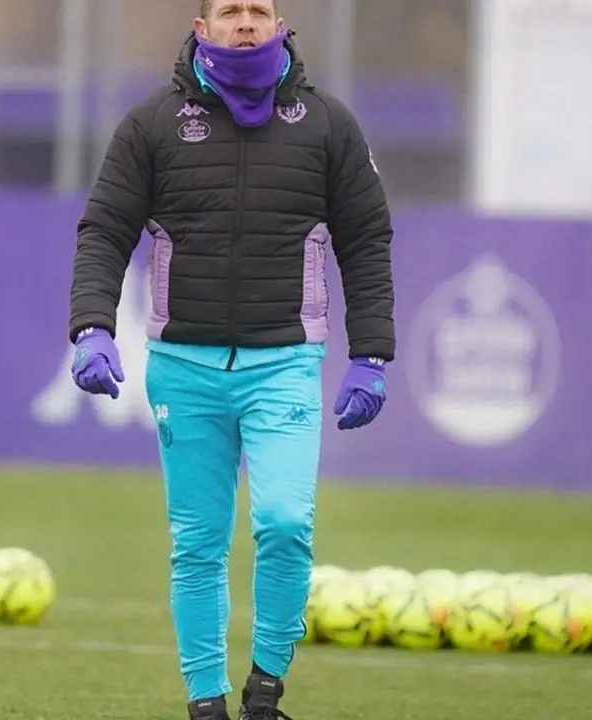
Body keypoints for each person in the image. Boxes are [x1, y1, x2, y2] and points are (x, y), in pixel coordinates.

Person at [67, 1, 394, 717]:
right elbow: (105, 229)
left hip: (286, 366)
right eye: (229, 10)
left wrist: (371, 355)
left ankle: (265, 692)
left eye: (258, 10)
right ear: (202, 25)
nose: (245, 21)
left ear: (277, 23)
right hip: (182, 368)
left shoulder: (327, 125)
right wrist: (92, 327)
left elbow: (367, 238)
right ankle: (206, 704)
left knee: (285, 523)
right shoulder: (152, 125)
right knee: (198, 544)